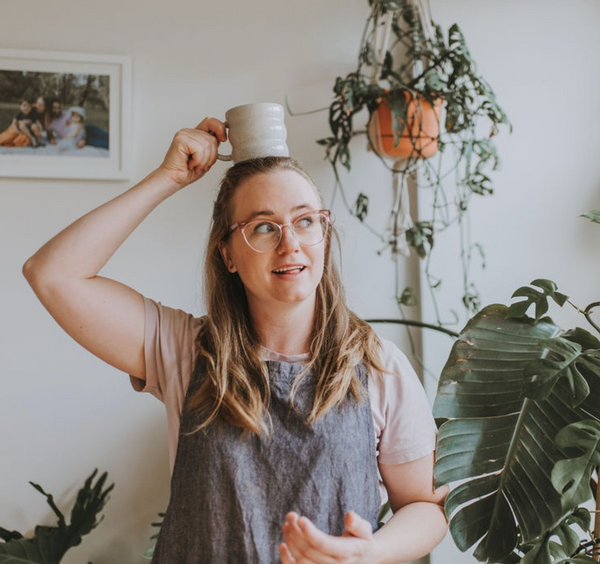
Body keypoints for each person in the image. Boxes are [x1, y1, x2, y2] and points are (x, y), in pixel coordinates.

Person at [22, 117, 448, 563]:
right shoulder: (183, 350)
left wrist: (370, 552)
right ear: (227, 252)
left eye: (305, 221)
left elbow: (425, 506)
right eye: (264, 227)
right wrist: (167, 179)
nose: (291, 244)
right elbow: (52, 274)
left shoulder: (380, 365)